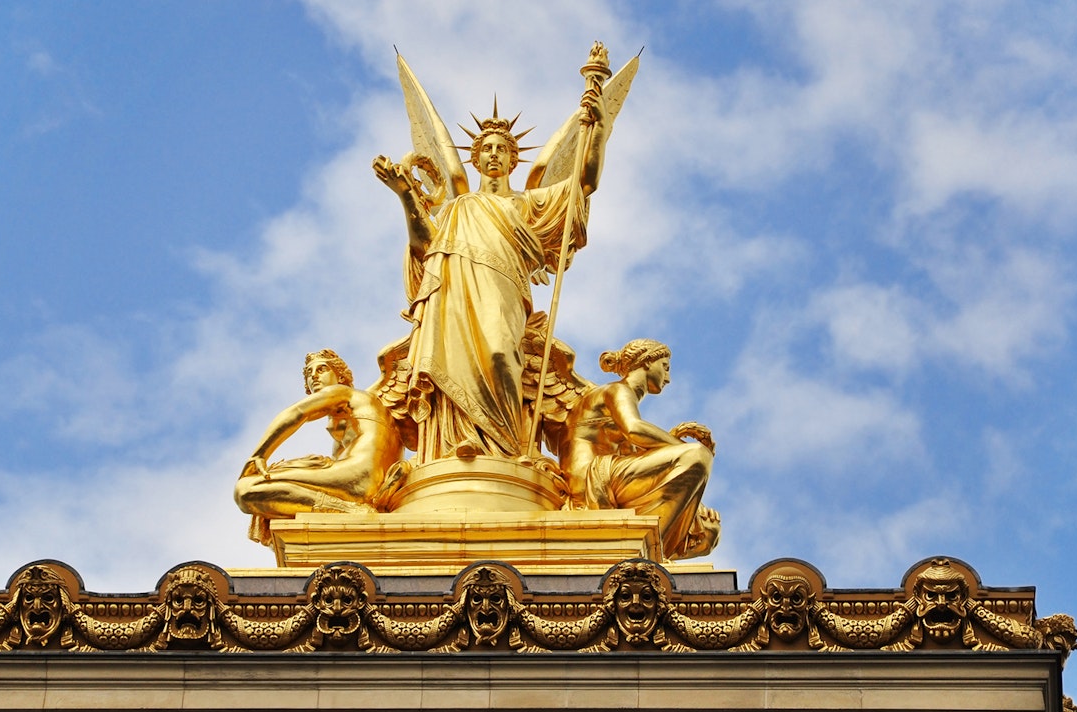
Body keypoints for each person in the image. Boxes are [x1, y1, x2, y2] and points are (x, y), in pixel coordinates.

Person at [372, 87, 608, 463]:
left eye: (502, 148)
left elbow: (585, 183)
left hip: (503, 290)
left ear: (514, 159)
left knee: (500, 355)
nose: (494, 153)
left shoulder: (528, 203)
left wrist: (597, 126)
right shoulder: (458, 207)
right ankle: (457, 445)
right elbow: (425, 246)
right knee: (447, 362)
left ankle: (506, 447)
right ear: (476, 158)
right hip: (453, 291)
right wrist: (405, 196)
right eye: (487, 148)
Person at [560, 339, 718, 559]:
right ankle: (649, 554)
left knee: (708, 532)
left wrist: (696, 505)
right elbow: (635, 430)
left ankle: (648, 549)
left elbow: (645, 456)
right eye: (665, 367)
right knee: (698, 456)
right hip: (591, 478)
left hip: (608, 476)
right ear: (646, 361)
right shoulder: (616, 390)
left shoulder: (621, 400)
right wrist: (686, 448)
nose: (669, 378)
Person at [234, 350, 404, 542]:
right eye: (308, 373)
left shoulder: (343, 392)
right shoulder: (353, 421)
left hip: (359, 475)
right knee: (266, 485)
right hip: (367, 481)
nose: (313, 375)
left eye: (322, 369)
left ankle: (346, 510)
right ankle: (343, 509)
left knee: (246, 489)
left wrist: (259, 455)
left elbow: (297, 412)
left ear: (340, 376)